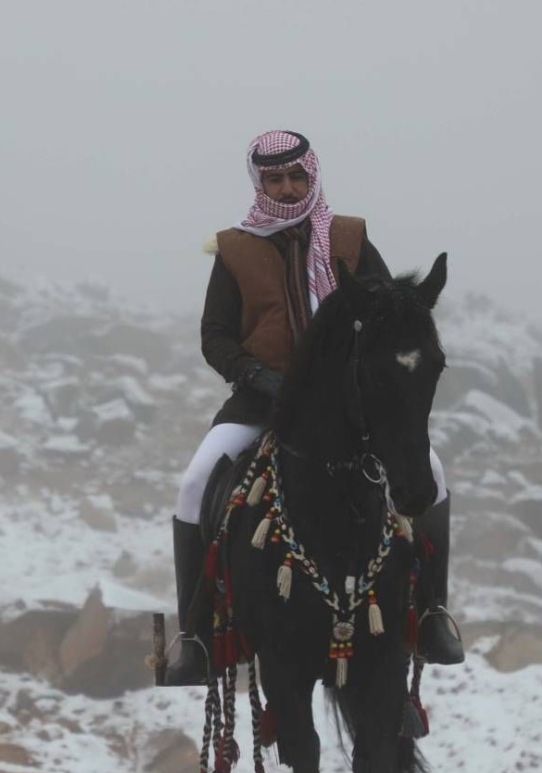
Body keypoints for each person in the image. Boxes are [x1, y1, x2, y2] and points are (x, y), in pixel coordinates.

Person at [167, 129, 464, 685]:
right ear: (260, 183)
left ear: (312, 174)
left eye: (295, 176)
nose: (285, 187)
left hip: (347, 408)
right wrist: (256, 375)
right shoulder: (233, 248)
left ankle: (431, 616)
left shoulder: (349, 236)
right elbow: (215, 335)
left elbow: (386, 312)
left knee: (435, 475)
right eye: (273, 179)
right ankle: (196, 637)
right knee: (194, 483)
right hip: (262, 403)